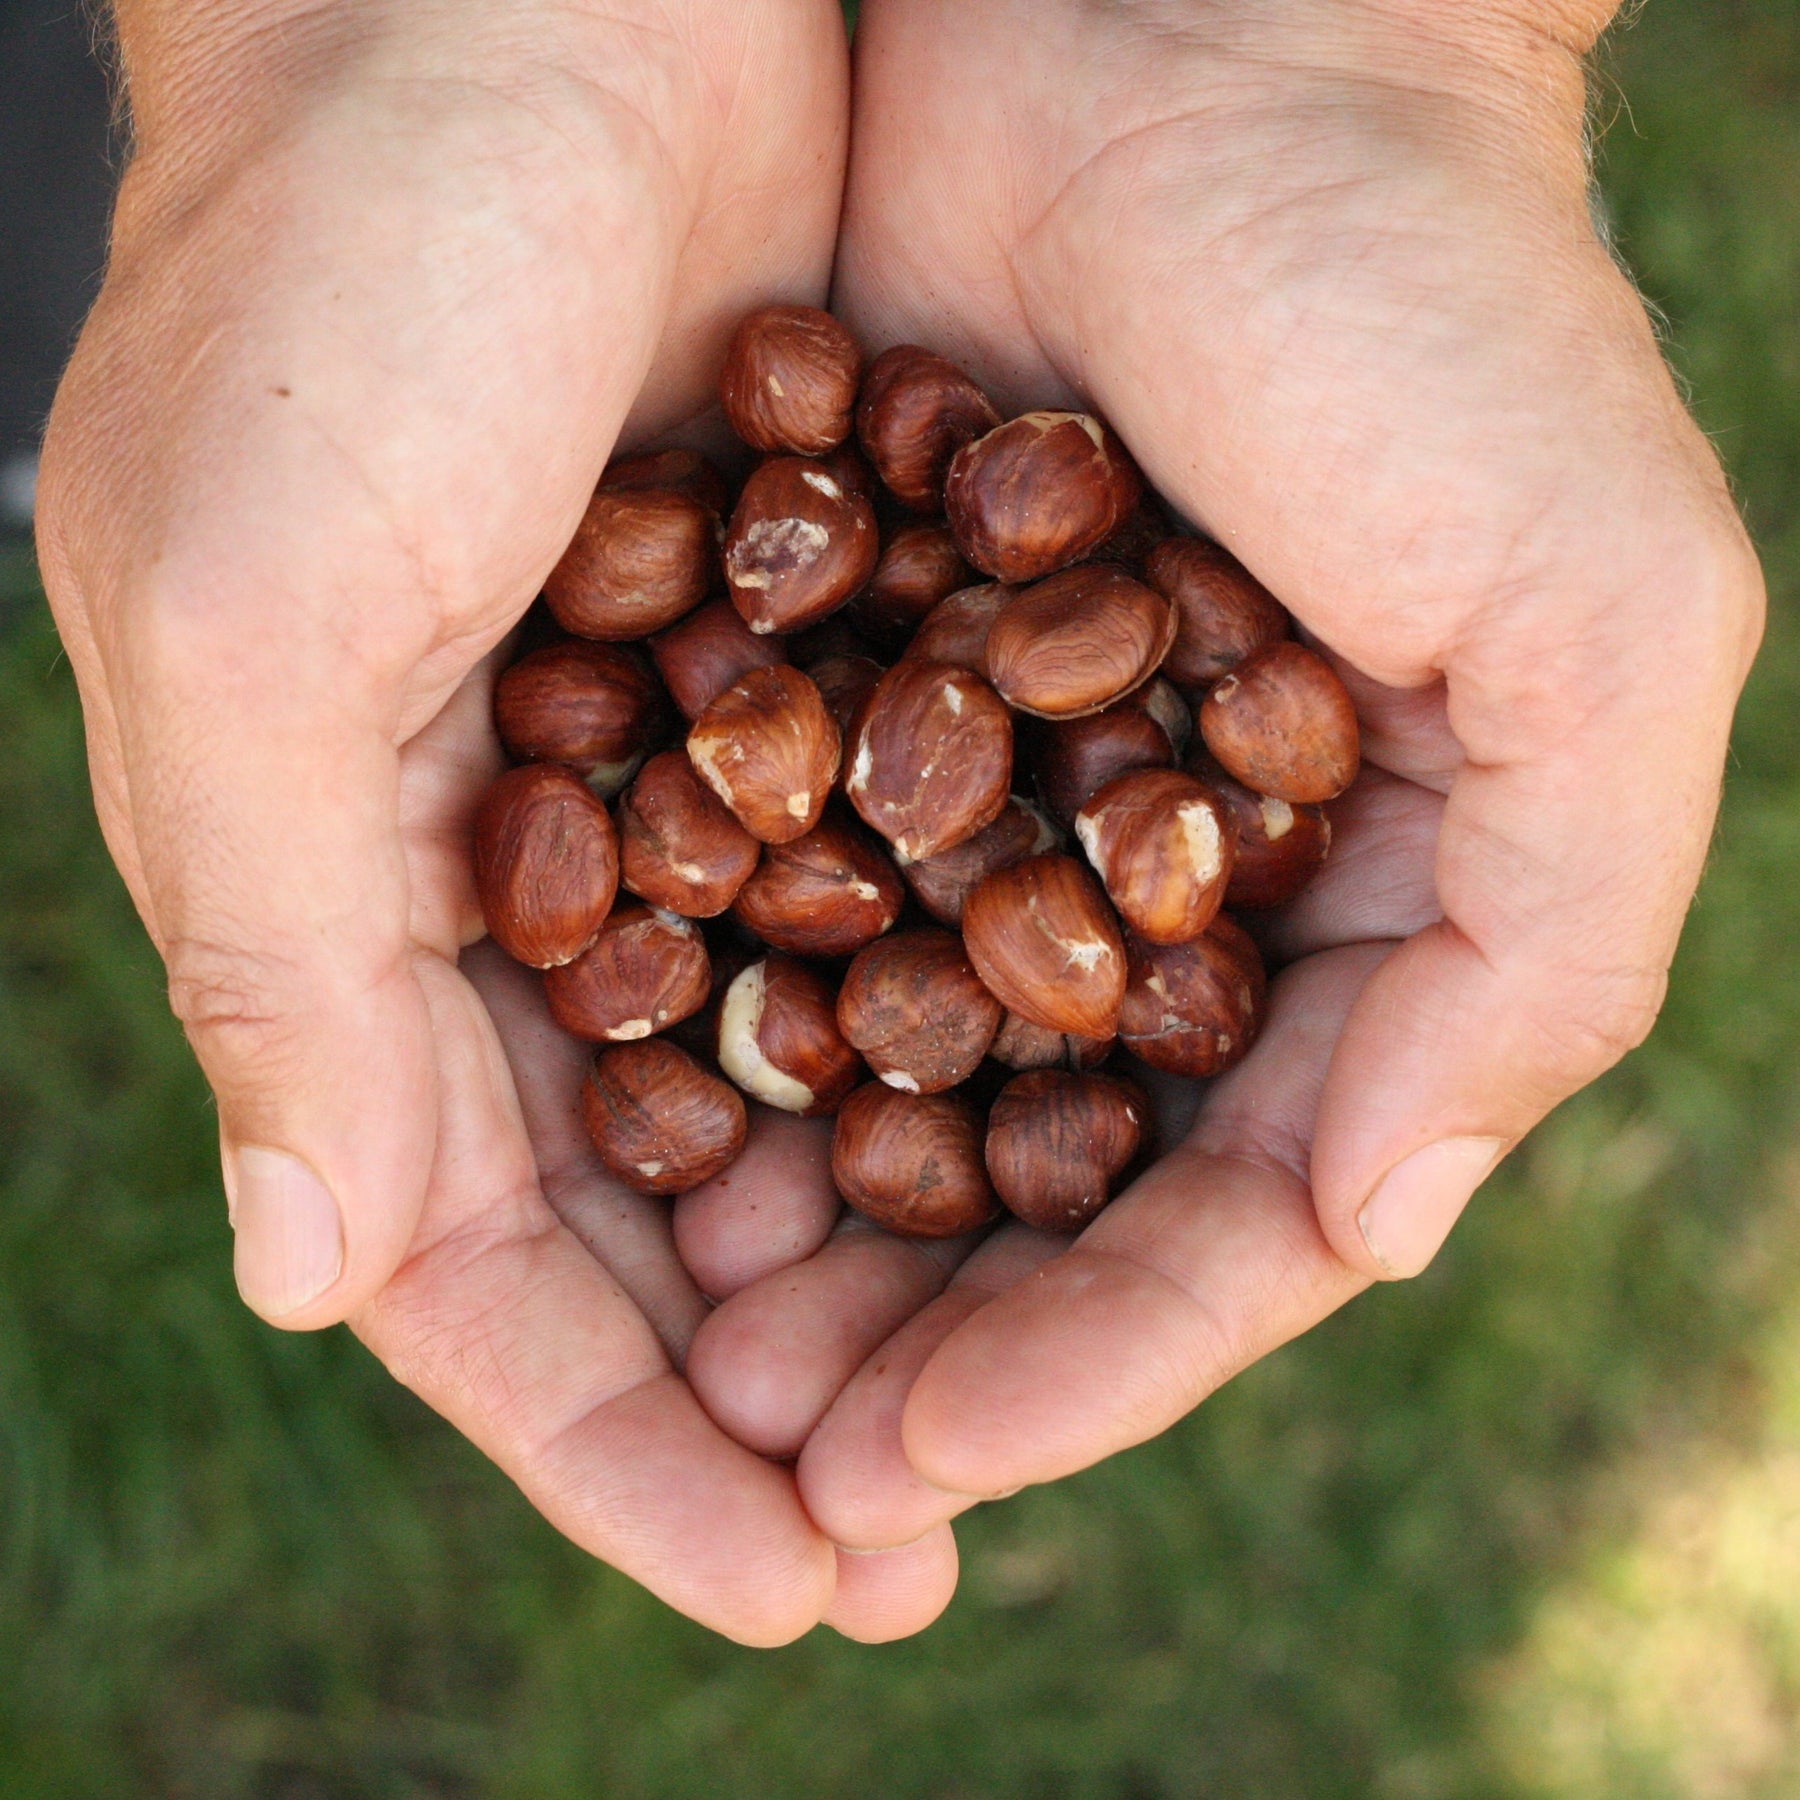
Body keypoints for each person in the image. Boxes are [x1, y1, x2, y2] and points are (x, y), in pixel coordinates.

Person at [36, 0, 1763, 1646]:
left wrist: (1351, 43)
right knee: (143, 231)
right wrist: (323, 55)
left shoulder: (969, 759)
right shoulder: (813, 728)